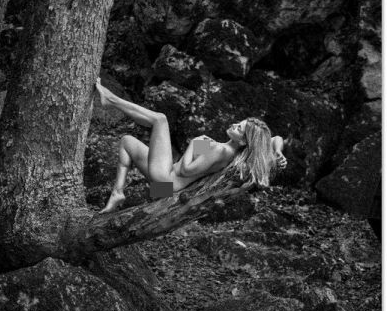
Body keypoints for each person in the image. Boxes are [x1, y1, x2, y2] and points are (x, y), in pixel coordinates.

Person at [95, 78, 287, 214]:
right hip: (165, 185)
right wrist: (278, 152)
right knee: (127, 141)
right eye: (239, 122)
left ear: (243, 141)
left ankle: (110, 100)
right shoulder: (231, 150)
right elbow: (275, 138)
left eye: (239, 128)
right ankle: (117, 193)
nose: (234, 125)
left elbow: (186, 170)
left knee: (160, 120)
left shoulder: (220, 150)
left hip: (166, 183)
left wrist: (193, 144)